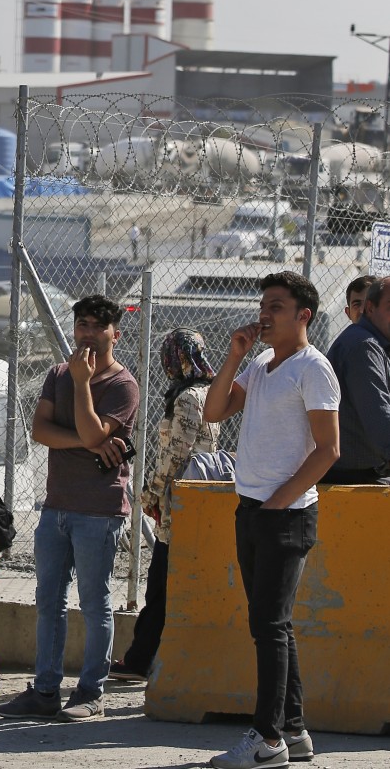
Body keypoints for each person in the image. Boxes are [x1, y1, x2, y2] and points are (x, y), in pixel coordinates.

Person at [203, 271, 339, 769]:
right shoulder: (260, 362)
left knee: (269, 627)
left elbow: (328, 451)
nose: (265, 314)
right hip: (251, 507)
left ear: (303, 314)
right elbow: (215, 412)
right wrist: (235, 353)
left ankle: (268, 739)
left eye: (277, 306)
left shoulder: (314, 368)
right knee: (273, 626)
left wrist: (279, 503)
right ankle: (295, 731)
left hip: (285, 516)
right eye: (264, 305)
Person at [0, 294, 139, 723]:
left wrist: (81, 386)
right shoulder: (57, 374)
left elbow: (95, 426)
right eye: (82, 325)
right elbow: (41, 431)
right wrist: (89, 441)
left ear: (115, 332)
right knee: (48, 600)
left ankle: (90, 692)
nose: (88, 333)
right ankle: (44, 690)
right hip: (55, 506)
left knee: (95, 602)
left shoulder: (121, 385)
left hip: (99, 509)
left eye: (97, 325)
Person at [109, 328, 219, 682]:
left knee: (160, 583)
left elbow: (176, 454)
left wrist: (152, 493)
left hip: (179, 503)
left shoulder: (188, 398)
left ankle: (141, 660)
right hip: (197, 499)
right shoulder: (208, 392)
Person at [324, 275, 390, 486]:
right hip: (352, 476)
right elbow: (380, 420)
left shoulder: (375, 343)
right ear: (370, 309)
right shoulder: (364, 346)